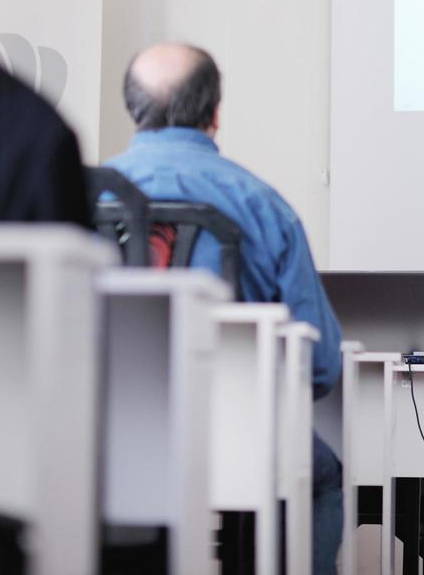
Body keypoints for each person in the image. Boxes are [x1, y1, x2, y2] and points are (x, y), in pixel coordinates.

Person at [105, 43, 344, 575]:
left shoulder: (81, 197)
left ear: (133, 109)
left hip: (105, 438)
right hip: (241, 441)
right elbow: (322, 365)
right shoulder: (263, 205)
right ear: (215, 112)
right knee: (324, 478)